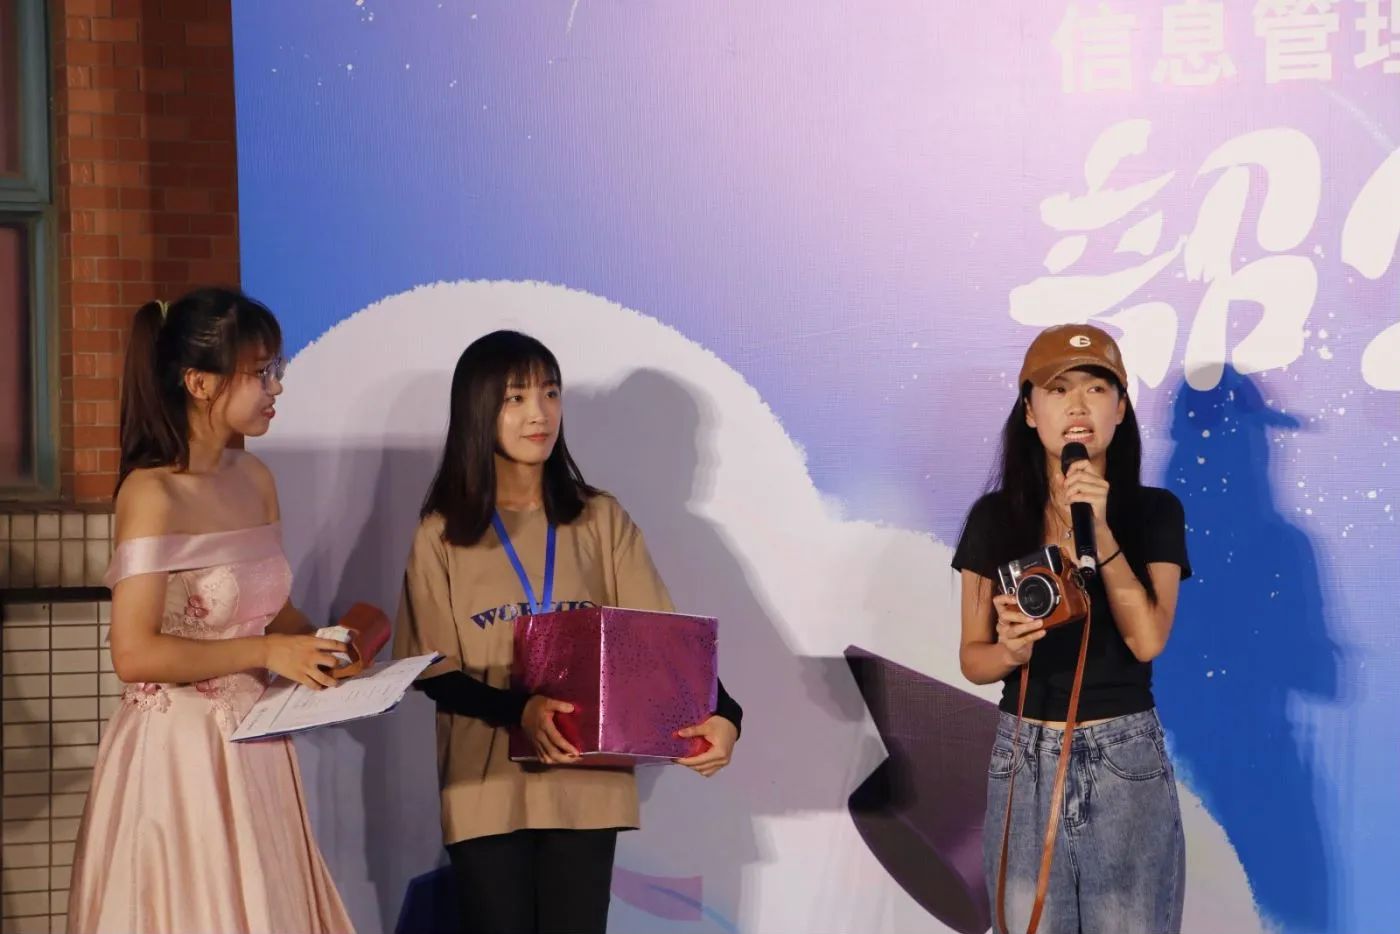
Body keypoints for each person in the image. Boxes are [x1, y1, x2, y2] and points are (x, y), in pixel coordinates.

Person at [393, 329, 743, 934]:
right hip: (486, 788)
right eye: (515, 398)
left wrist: (727, 715)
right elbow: (432, 672)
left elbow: (660, 644)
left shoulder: (599, 518)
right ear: (477, 409)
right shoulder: (441, 533)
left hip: (587, 782)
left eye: (550, 393)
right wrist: (520, 711)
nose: (540, 413)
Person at [66, 288, 354, 933]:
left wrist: (323, 647)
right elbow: (134, 653)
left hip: (258, 747)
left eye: (276, 368)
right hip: (182, 758)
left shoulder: (255, 478)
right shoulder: (151, 494)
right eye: (261, 371)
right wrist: (268, 652)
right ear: (199, 383)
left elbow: (271, 611)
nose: (276, 387)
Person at [952, 324, 1190, 934]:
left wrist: (1100, 530)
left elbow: (1147, 640)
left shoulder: (1155, 512)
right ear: (1030, 411)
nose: (1078, 406)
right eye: (1058, 390)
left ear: (1121, 408)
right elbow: (973, 659)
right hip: (1024, 754)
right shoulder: (996, 518)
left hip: (1124, 757)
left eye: (1096, 388)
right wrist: (1009, 650)